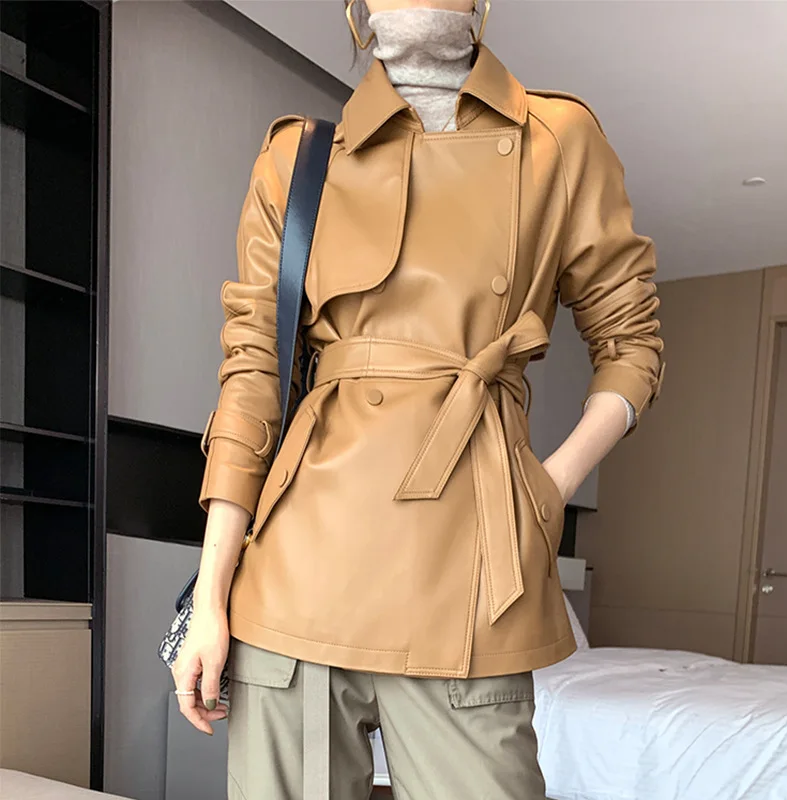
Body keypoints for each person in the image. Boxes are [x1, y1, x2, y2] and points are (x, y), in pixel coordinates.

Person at [172, 1, 665, 798]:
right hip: (296, 576)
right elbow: (253, 376)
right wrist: (210, 597)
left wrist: (549, 489)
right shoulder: (299, 158)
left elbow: (632, 344)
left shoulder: (557, 140)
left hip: (470, 582)